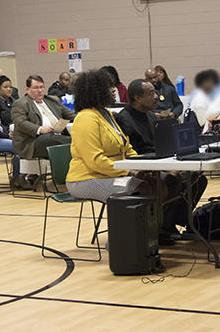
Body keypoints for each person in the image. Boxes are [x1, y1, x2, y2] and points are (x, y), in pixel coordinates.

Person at [66, 70, 178, 245]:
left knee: (155, 182)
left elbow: (128, 148)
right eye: (108, 88)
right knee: (141, 187)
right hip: (86, 179)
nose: (113, 91)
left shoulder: (108, 116)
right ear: (96, 92)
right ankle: (123, 243)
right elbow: (95, 161)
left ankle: (153, 234)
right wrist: (130, 171)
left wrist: (142, 167)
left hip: (111, 173)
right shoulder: (86, 118)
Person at [116, 79, 209, 233]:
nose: (157, 96)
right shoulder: (125, 119)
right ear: (138, 98)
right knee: (172, 180)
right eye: (151, 93)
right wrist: (163, 169)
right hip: (141, 169)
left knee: (198, 179)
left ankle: (178, 221)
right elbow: (133, 156)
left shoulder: (151, 116)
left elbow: (161, 148)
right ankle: (161, 228)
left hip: (159, 163)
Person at [12, 74, 75, 160]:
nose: (40, 90)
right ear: (27, 89)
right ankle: (75, 144)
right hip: (33, 141)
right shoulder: (21, 103)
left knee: (71, 137)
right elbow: (21, 123)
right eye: (36, 88)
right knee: (50, 139)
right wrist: (39, 129)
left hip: (57, 135)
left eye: (42, 87)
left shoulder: (53, 100)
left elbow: (71, 115)